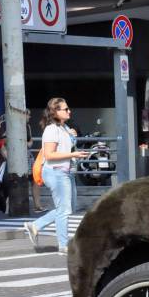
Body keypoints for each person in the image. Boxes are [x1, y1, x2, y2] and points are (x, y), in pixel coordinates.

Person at [23, 97, 88, 254]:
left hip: (66, 171)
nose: (69, 111)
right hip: (56, 172)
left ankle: (36, 226)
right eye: (65, 109)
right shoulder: (51, 129)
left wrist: (73, 137)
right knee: (64, 210)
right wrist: (74, 154)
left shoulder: (64, 128)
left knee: (67, 207)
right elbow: (50, 155)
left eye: (68, 108)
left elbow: (67, 146)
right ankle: (63, 245)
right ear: (55, 112)